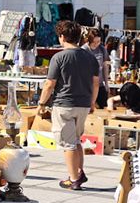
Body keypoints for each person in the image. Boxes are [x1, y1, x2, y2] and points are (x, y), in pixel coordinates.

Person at [39, 20, 100, 190]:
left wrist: (41, 103)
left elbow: (49, 84)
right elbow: (96, 83)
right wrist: (93, 102)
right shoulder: (90, 57)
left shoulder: (59, 57)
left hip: (64, 104)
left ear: (63, 36)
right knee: (76, 140)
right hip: (83, 104)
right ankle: (79, 172)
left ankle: (73, 179)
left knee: (68, 143)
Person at [83, 28, 110, 109]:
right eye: (94, 42)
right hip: (87, 85)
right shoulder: (84, 50)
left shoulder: (102, 49)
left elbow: (105, 66)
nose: (96, 44)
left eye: (98, 42)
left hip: (100, 84)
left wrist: (106, 83)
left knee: (103, 107)